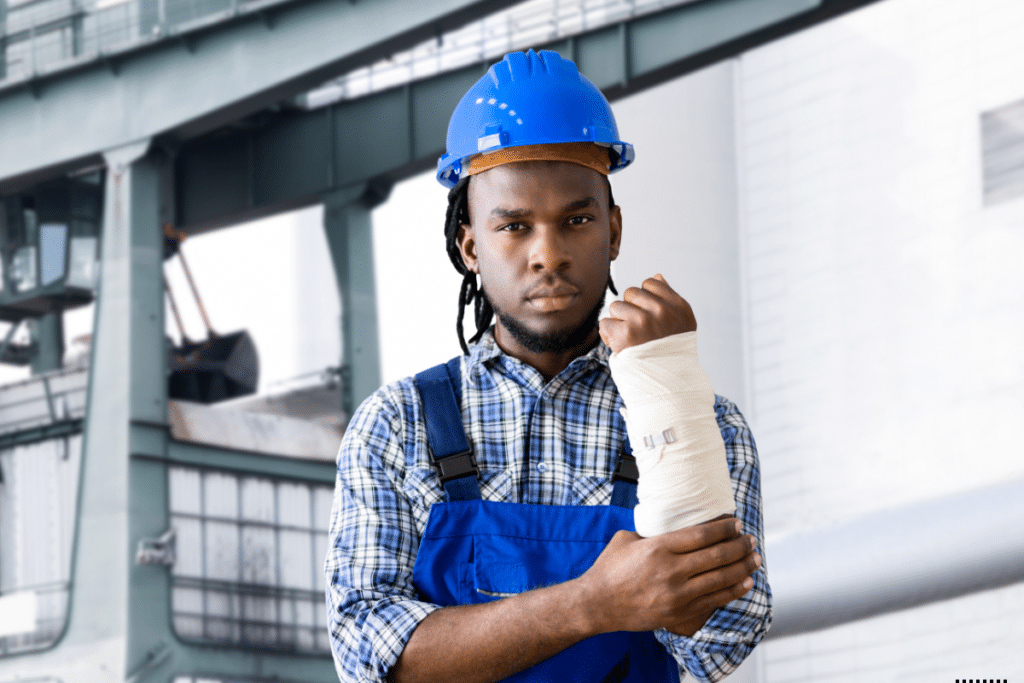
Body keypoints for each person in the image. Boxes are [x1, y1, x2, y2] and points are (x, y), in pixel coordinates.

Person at [326, 49, 771, 683]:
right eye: (514, 226)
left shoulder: (705, 425)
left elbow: (722, 640)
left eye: (577, 220)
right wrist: (595, 603)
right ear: (471, 245)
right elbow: (370, 656)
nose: (547, 254)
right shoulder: (398, 427)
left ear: (613, 232)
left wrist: (669, 391)